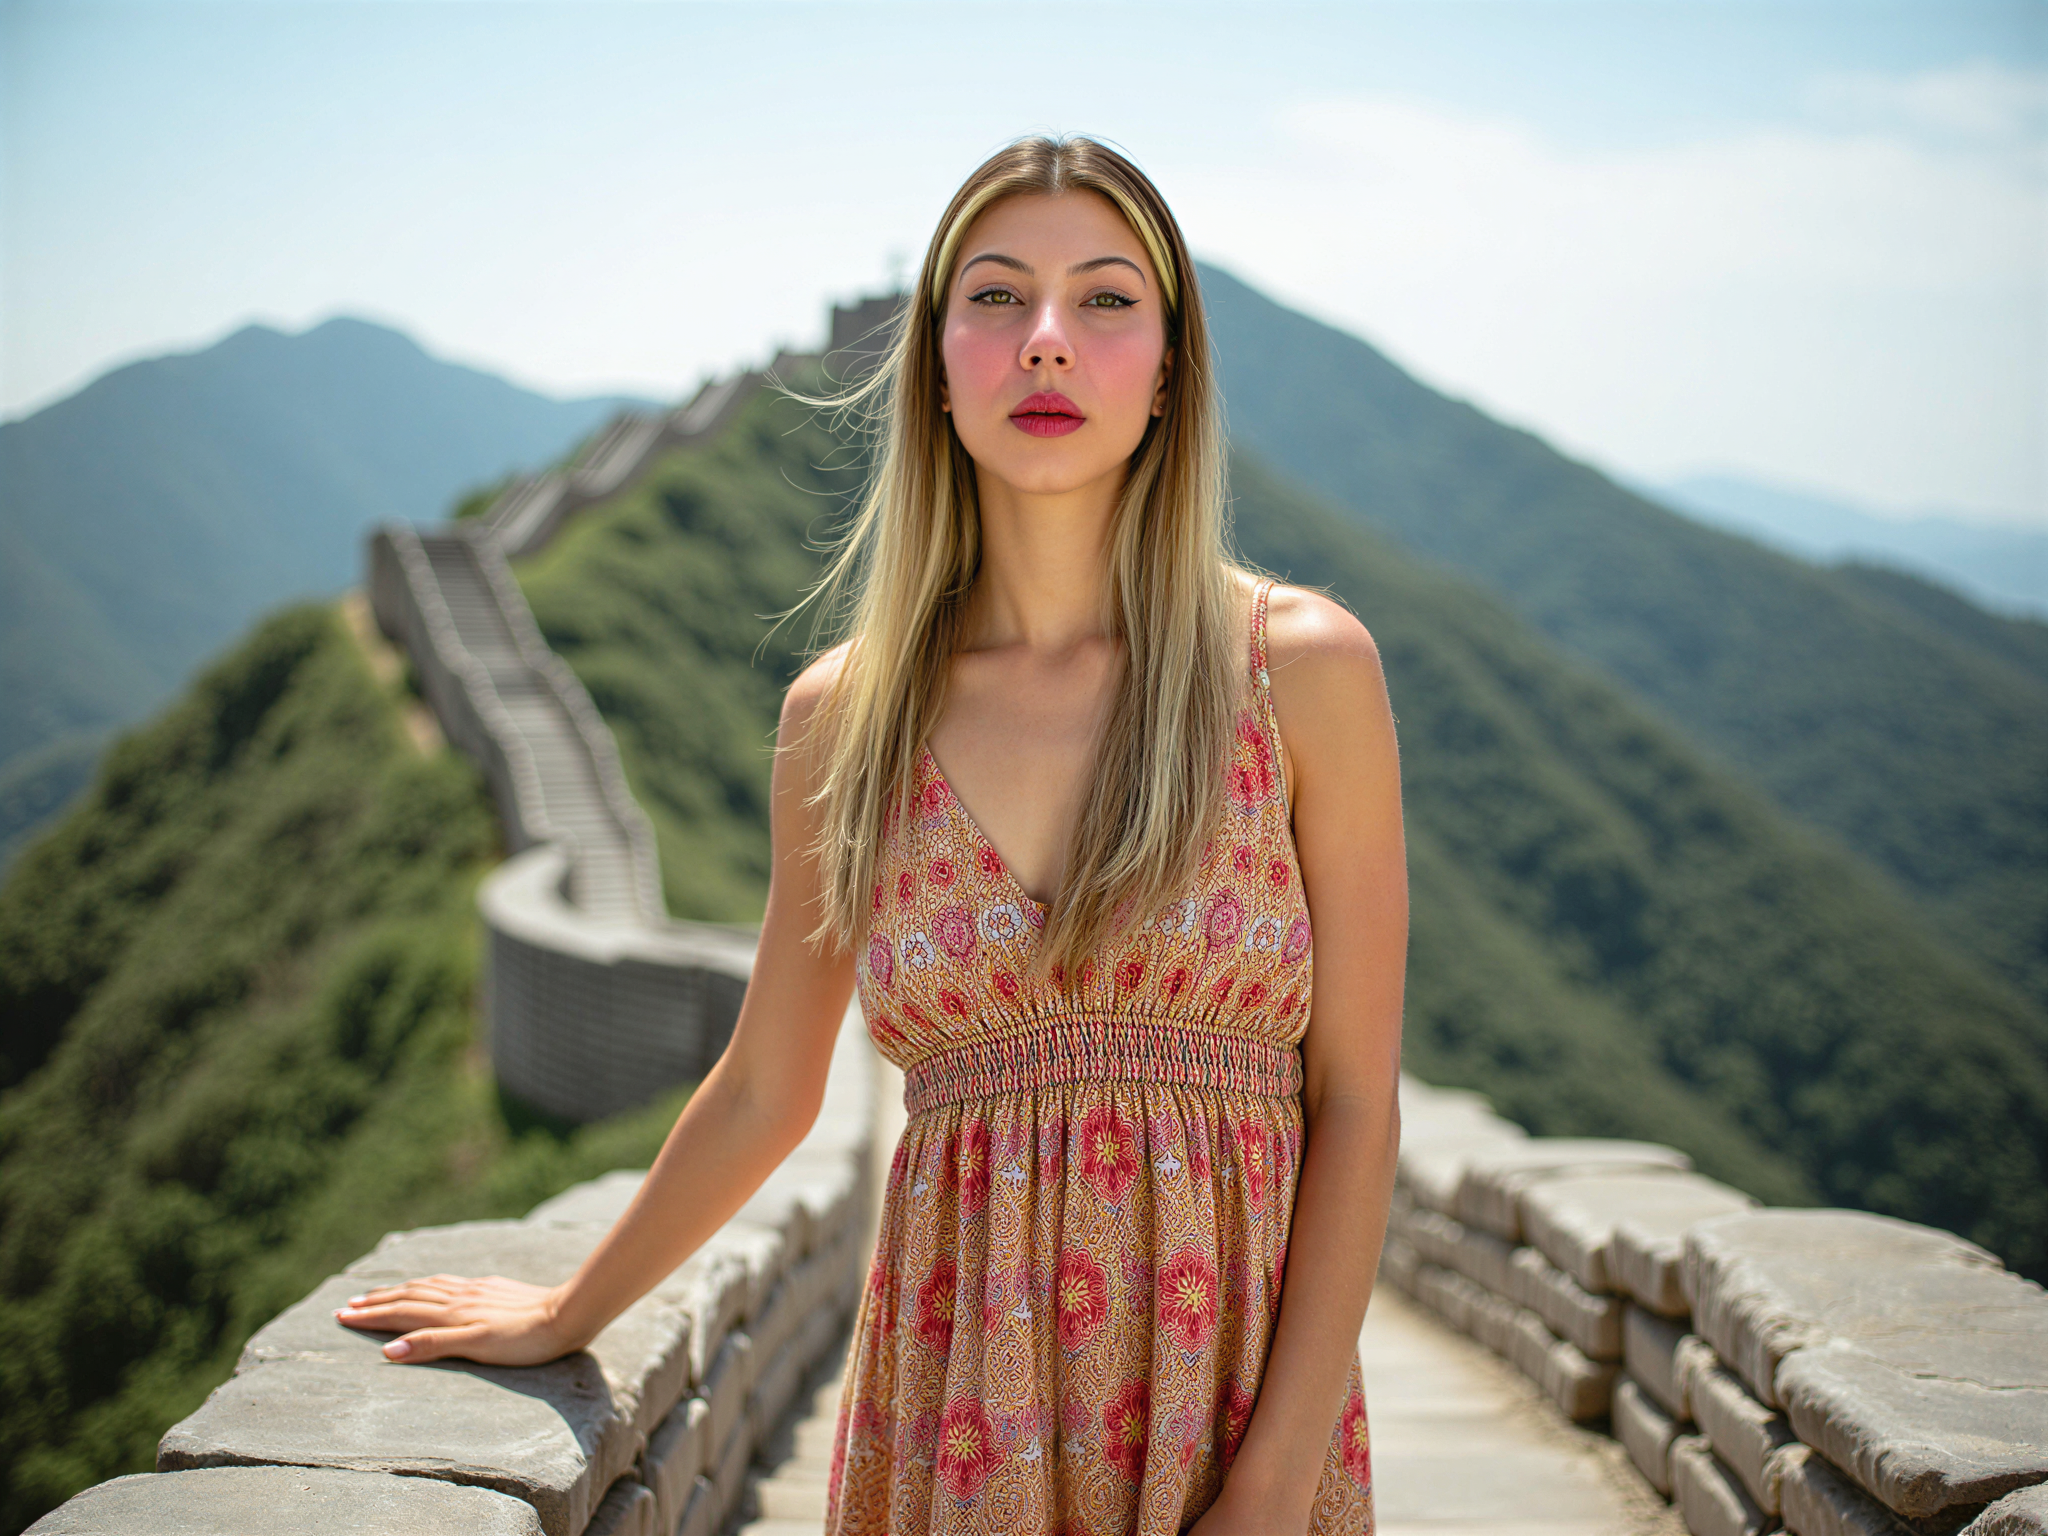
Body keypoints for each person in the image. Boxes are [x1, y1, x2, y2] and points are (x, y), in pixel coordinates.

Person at [336, 133, 1406, 1536]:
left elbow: (1358, 1104)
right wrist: (571, 1304)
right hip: (957, 1422)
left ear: (1168, 377)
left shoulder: (1299, 671)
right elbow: (767, 1086)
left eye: (1103, 300)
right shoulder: (848, 721)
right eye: (995, 297)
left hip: (1231, 1425)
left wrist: (1267, 1489)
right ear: (934, 370)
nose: (1043, 344)